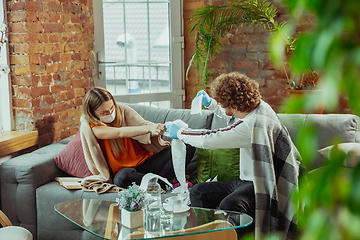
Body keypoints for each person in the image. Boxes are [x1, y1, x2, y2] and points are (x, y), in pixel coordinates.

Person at [166, 72, 301, 239]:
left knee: (230, 204)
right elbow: (233, 113)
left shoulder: (252, 125)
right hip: (246, 180)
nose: (223, 108)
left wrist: (180, 132)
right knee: (198, 192)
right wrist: (212, 105)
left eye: (224, 105)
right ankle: (208, 236)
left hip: (263, 182)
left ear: (235, 106)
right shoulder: (258, 106)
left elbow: (211, 138)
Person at [80, 87, 196, 192]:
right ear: (93, 113)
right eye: (104, 112)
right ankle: (166, 183)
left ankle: (161, 183)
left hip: (145, 164)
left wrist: (158, 128)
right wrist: (148, 129)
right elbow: (119, 132)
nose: (110, 113)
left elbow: (143, 123)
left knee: (187, 147)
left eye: (111, 108)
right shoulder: (91, 127)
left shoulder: (122, 111)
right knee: (123, 177)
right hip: (124, 173)